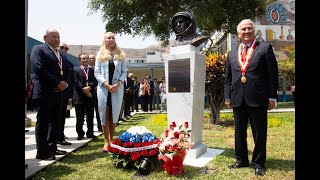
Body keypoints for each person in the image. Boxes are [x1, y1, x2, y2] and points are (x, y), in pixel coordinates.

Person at [224, 19, 278, 176]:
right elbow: (228, 77)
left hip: (258, 98)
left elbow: (272, 75)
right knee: (239, 132)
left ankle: (258, 163)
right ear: (238, 33)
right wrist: (228, 96)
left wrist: (272, 97)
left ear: (254, 31)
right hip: (237, 99)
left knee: (259, 132)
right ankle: (241, 160)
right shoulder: (232, 53)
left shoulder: (265, 48)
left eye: (249, 29)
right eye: (243, 29)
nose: (246, 31)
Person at [30, 29, 70, 160]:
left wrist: (65, 85)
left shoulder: (61, 54)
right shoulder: (39, 49)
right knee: (43, 122)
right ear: (45, 37)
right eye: (54, 36)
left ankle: (52, 148)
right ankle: (42, 152)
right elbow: (39, 68)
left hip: (58, 93)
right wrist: (57, 83)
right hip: (45, 92)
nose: (57, 39)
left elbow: (68, 71)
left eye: (58, 36)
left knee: (54, 122)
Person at [94, 32, 126, 152]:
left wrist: (118, 84)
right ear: (104, 40)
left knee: (114, 115)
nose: (111, 39)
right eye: (109, 38)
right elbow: (97, 73)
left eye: (113, 37)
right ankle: (106, 141)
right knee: (104, 114)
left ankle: (111, 140)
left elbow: (124, 72)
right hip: (104, 89)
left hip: (117, 89)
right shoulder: (100, 55)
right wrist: (106, 85)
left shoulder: (121, 54)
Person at [73, 53, 98, 140]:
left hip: (90, 96)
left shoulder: (93, 70)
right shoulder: (75, 70)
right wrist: (84, 90)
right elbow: (76, 82)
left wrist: (90, 87)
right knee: (79, 117)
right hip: (79, 96)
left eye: (87, 58)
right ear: (80, 60)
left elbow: (96, 81)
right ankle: (80, 133)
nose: (86, 60)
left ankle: (90, 132)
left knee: (90, 116)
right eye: (83, 58)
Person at [56, 42, 73, 145]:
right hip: (53, 92)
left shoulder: (69, 63)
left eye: (66, 48)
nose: (64, 49)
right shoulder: (53, 60)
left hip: (64, 94)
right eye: (62, 47)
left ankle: (60, 136)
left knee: (62, 117)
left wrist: (69, 96)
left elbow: (70, 81)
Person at [89, 53, 102, 132]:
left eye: (93, 58)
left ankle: (100, 126)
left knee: (99, 111)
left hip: (99, 92)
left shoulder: (99, 68)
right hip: (89, 92)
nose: (91, 59)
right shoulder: (87, 69)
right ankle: (90, 129)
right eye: (90, 58)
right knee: (89, 112)